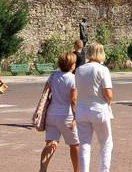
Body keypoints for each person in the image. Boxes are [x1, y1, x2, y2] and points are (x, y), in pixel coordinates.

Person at [74, 44, 113, 172]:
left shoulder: (79, 70)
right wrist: (109, 101)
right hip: (98, 108)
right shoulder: (102, 69)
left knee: (84, 144)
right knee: (106, 143)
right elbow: (108, 93)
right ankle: (104, 170)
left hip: (82, 109)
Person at [39, 52, 79, 172]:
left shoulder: (53, 76)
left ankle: (42, 169)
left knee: (51, 142)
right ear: (71, 64)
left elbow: (46, 93)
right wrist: (76, 117)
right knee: (75, 145)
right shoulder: (73, 78)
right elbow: (73, 99)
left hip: (51, 114)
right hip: (66, 115)